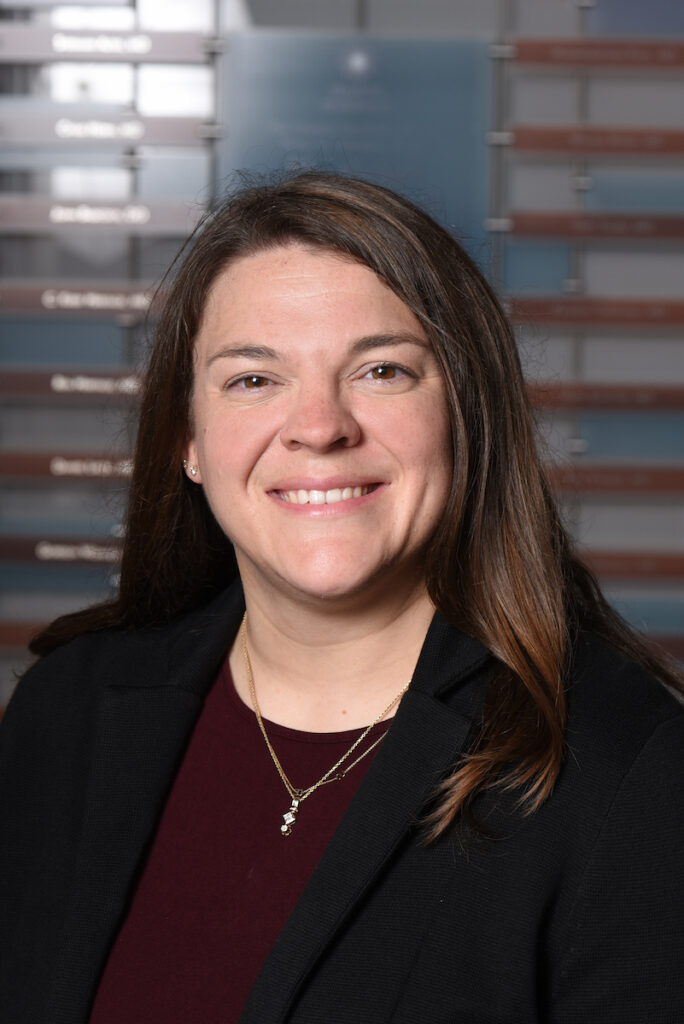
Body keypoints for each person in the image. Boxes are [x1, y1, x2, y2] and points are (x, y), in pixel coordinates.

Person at [1, 171, 682, 1024]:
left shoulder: (625, 774)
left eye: (382, 371)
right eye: (254, 379)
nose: (320, 426)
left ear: (465, 417)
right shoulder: (65, 713)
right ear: (189, 440)